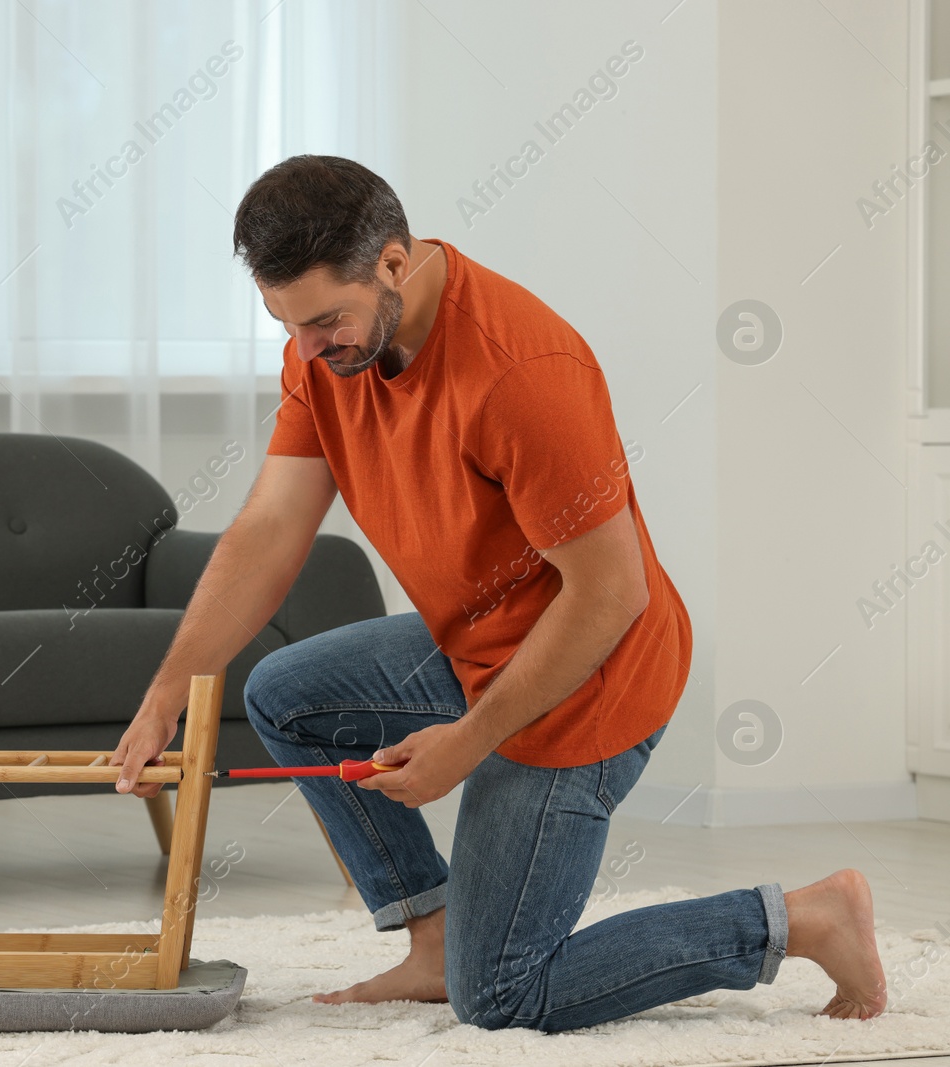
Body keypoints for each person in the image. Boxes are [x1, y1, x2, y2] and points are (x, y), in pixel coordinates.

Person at [109, 154, 887, 1032]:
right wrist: (171, 688)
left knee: (508, 994)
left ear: (395, 264)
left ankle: (803, 916)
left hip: (588, 672)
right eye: (284, 325)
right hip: (474, 644)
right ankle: (434, 941)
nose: (307, 351)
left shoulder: (522, 369)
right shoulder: (331, 353)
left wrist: (469, 742)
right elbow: (269, 528)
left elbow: (609, 595)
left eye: (324, 321)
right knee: (284, 694)